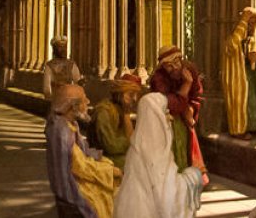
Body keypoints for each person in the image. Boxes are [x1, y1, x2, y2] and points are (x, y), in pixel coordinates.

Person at [112, 91, 205, 218]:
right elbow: (168, 197)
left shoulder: (136, 146)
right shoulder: (157, 151)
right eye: (165, 112)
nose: (168, 118)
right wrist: (193, 175)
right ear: (157, 116)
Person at [45, 83, 120, 218]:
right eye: (84, 99)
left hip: (77, 179)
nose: (88, 102)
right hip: (71, 190)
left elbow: (83, 150)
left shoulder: (71, 124)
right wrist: (109, 171)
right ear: (73, 106)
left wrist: (102, 159)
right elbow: (72, 170)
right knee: (104, 197)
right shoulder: (61, 131)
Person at [149, 45, 206, 174]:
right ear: (163, 67)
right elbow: (171, 105)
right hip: (166, 119)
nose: (174, 67)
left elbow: (196, 95)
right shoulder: (159, 79)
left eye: (176, 62)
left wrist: (191, 109)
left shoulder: (189, 69)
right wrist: (186, 85)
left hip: (186, 117)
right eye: (169, 65)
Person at [223, 7, 256, 139]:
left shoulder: (250, 39)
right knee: (242, 102)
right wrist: (244, 20)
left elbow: (252, 55)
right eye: (251, 24)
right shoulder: (233, 39)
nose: (253, 28)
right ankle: (239, 130)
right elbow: (231, 47)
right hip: (236, 77)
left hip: (248, 74)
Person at [94, 73, 141, 170]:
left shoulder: (121, 110)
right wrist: (131, 141)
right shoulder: (104, 111)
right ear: (119, 93)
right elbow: (111, 146)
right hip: (104, 158)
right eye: (131, 94)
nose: (135, 99)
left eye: (136, 95)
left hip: (118, 156)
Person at [43, 36, 80, 102]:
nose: (63, 50)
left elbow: (77, 82)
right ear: (54, 49)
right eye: (60, 47)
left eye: (64, 47)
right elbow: (47, 89)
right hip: (55, 101)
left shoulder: (71, 64)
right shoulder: (49, 66)